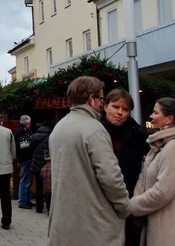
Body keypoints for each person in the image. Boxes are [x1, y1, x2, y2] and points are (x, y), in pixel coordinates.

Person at [48, 76, 130, 246]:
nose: (102, 103)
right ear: (91, 99)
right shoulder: (94, 129)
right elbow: (111, 177)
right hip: (94, 224)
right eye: (101, 98)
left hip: (65, 221)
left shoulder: (60, 126)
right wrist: (124, 206)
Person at [101, 88, 149, 246]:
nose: (120, 112)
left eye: (125, 109)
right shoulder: (95, 132)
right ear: (105, 106)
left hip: (130, 203)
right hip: (101, 204)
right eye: (116, 107)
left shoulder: (139, 134)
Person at [130, 97, 175, 246]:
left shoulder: (172, 148)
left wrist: (133, 205)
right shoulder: (159, 147)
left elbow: (163, 191)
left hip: (166, 232)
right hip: (157, 225)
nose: (151, 116)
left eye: (155, 113)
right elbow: (143, 177)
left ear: (169, 119)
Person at [30, 120, 53, 214]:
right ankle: (49, 208)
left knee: (38, 187)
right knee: (49, 187)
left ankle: (39, 208)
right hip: (47, 164)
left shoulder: (34, 135)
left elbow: (30, 148)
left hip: (36, 163)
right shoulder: (52, 136)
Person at [15, 115, 33, 209]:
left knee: (27, 179)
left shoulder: (19, 130)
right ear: (27, 123)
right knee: (25, 180)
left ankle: (27, 199)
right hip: (26, 158)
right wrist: (30, 155)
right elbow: (25, 145)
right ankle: (22, 201)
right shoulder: (23, 131)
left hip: (23, 158)